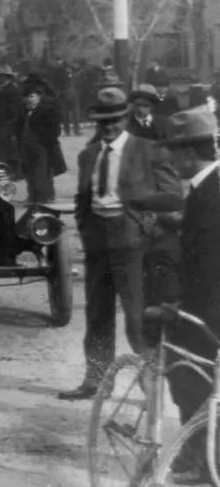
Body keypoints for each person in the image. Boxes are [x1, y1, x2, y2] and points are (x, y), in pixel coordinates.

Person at [58, 88, 183, 400]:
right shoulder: (88, 155)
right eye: (103, 121)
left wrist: (141, 210)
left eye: (115, 120)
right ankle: (96, 380)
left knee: (137, 316)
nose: (109, 126)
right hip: (97, 241)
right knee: (97, 315)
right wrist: (85, 227)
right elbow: (82, 198)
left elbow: (173, 196)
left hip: (133, 241)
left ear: (126, 117)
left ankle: (149, 383)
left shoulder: (149, 150)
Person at [157, 108, 220, 487]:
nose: (170, 163)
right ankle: (207, 475)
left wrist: (187, 314)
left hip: (209, 316)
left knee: (208, 402)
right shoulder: (207, 187)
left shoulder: (211, 193)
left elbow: (211, 266)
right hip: (205, 313)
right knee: (202, 400)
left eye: (174, 154)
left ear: (189, 154)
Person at [15, 79, 66, 204]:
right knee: (30, 174)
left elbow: (55, 130)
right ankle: (33, 196)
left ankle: (44, 198)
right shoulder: (24, 113)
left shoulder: (47, 111)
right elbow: (18, 129)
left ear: (39, 97)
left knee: (42, 175)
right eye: (26, 97)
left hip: (43, 148)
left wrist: (44, 140)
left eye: (32, 96)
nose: (29, 100)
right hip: (27, 149)